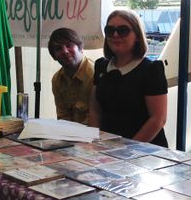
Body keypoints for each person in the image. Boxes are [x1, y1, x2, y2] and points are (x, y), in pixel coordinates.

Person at [89, 9, 168, 147]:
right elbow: (95, 111)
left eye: (123, 30)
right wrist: (96, 142)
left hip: (145, 151)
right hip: (108, 149)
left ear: (137, 35)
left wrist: (127, 149)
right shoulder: (101, 66)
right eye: (110, 30)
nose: (115, 35)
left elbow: (158, 120)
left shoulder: (151, 70)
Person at [48, 28, 94, 125]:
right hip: (71, 135)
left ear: (81, 48)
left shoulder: (95, 75)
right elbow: (63, 118)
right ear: (54, 56)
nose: (65, 51)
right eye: (58, 48)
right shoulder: (57, 80)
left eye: (69, 45)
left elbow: (96, 119)